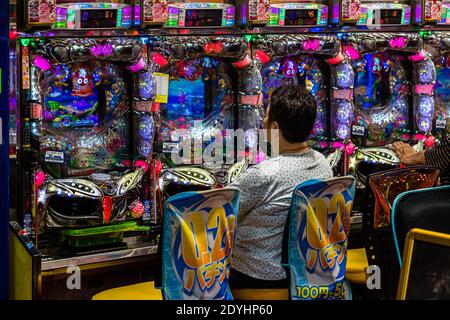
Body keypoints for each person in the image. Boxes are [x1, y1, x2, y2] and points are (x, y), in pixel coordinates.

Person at [229, 85, 333, 289]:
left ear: (275, 128)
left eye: (266, 116)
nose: (262, 122)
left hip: (261, 276)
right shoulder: (323, 163)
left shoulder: (265, 174)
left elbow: (220, 214)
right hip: (307, 269)